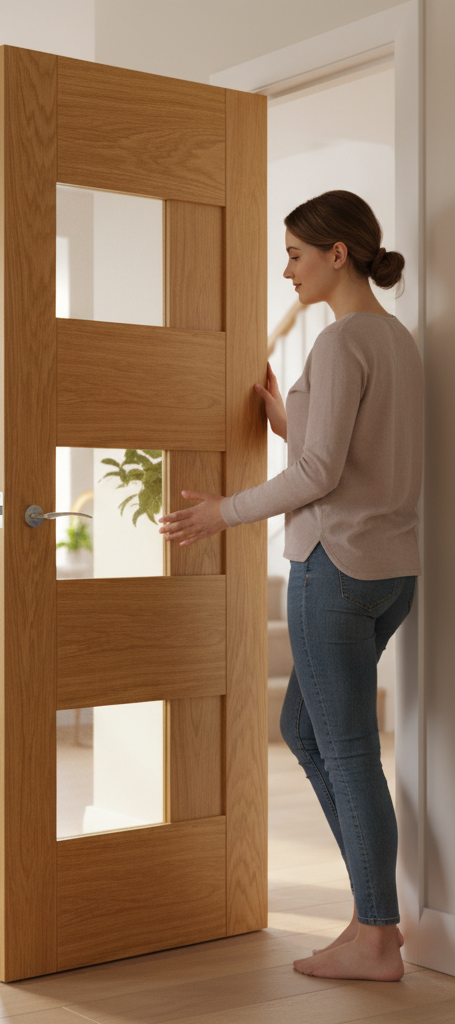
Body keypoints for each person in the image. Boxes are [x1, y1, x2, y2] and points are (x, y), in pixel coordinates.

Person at [158, 190, 422, 983]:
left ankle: (377, 934)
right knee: (310, 735)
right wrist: (287, 417)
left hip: (332, 570)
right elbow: (354, 451)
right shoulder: (397, 341)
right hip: (389, 573)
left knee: (343, 750)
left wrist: (222, 514)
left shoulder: (343, 344)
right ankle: (371, 915)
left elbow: (320, 473)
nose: (287, 270)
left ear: (338, 254)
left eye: (296, 256)